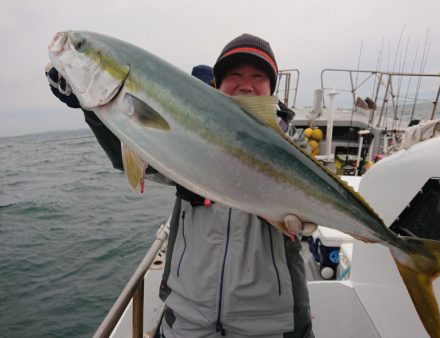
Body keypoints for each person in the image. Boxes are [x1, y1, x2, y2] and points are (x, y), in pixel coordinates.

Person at [46, 33, 314, 338]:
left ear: (271, 90)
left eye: (258, 77)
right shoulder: (189, 141)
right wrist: (92, 111)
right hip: (186, 323)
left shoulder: (293, 145)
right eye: (234, 75)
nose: (245, 84)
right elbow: (135, 158)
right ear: (218, 86)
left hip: (271, 328)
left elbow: (312, 194)